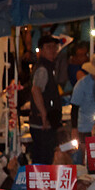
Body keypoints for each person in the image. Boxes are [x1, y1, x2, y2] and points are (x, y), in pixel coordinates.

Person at [27, 35, 62, 164]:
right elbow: (36, 90)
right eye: (48, 47)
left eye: (54, 47)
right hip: (42, 124)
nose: (52, 50)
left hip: (47, 122)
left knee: (46, 158)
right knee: (43, 159)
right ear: (41, 50)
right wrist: (43, 114)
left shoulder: (49, 67)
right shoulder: (43, 69)